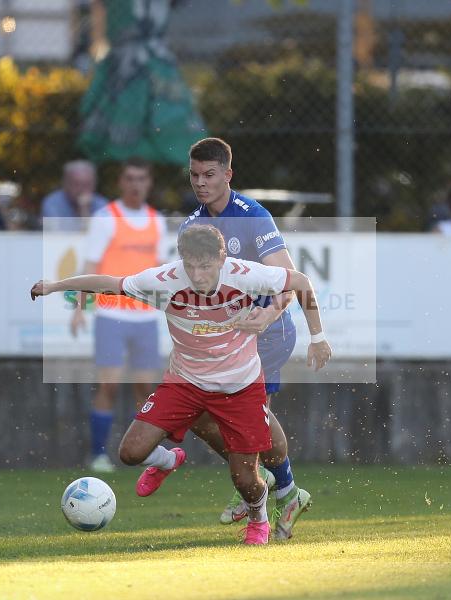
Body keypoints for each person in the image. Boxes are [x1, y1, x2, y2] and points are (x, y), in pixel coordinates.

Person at [30, 224, 332, 545]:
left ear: (222, 258)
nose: (198, 275)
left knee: (246, 478)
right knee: (130, 453)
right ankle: (168, 460)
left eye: (205, 266)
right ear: (181, 260)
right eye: (190, 266)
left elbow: (301, 281)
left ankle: (258, 518)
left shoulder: (244, 275)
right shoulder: (164, 281)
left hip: (239, 387)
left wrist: (318, 337)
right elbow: (111, 284)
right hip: (183, 385)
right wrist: (55, 285)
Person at [179, 137, 310, 541]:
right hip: (228, 339)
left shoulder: (252, 216)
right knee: (211, 416)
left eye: (210, 175)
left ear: (228, 174)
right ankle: (278, 487)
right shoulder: (191, 226)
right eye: (195, 175)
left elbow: (289, 281)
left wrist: (268, 313)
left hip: (268, 333)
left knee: (247, 418)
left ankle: (265, 489)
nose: (201, 183)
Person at [72, 157, 167, 472]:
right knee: (109, 385)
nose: (135, 184)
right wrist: (79, 309)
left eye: (141, 178)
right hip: (111, 314)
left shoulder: (157, 220)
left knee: (145, 389)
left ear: (149, 182)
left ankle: (147, 455)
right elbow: (90, 267)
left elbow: (164, 273)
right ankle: (98, 454)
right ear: (121, 182)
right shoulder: (106, 217)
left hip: (146, 318)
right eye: (130, 178)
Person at [41, 160, 108, 231]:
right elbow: (55, 234)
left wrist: (84, 211)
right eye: (77, 184)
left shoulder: (102, 205)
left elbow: (101, 235)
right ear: (65, 184)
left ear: (94, 185)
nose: (82, 189)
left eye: (87, 184)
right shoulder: (52, 203)